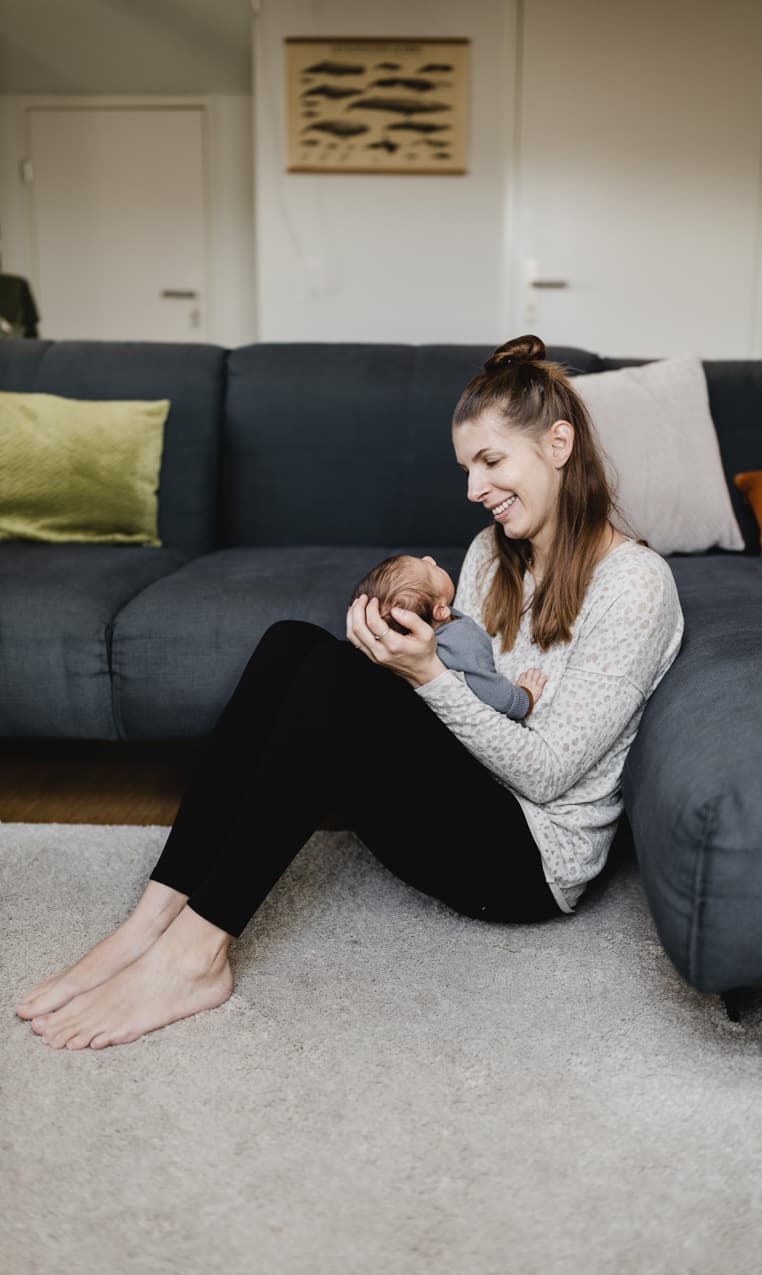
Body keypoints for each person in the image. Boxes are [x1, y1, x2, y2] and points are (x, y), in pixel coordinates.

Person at [15, 333, 685, 1051]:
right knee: (291, 646)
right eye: (466, 468)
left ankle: (196, 956)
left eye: (491, 461)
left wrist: (421, 676)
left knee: (338, 683)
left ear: (559, 444)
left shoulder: (635, 586)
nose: (473, 488)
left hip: (526, 861)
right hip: (469, 788)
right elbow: (469, 686)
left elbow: (549, 773)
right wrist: (401, 657)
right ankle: (152, 918)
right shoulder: (493, 553)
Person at [350, 552, 547, 720]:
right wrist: (523, 698)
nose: (429, 559)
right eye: (430, 570)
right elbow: (494, 695)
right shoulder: (462, 644)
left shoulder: (438, 624)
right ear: (441, 611)